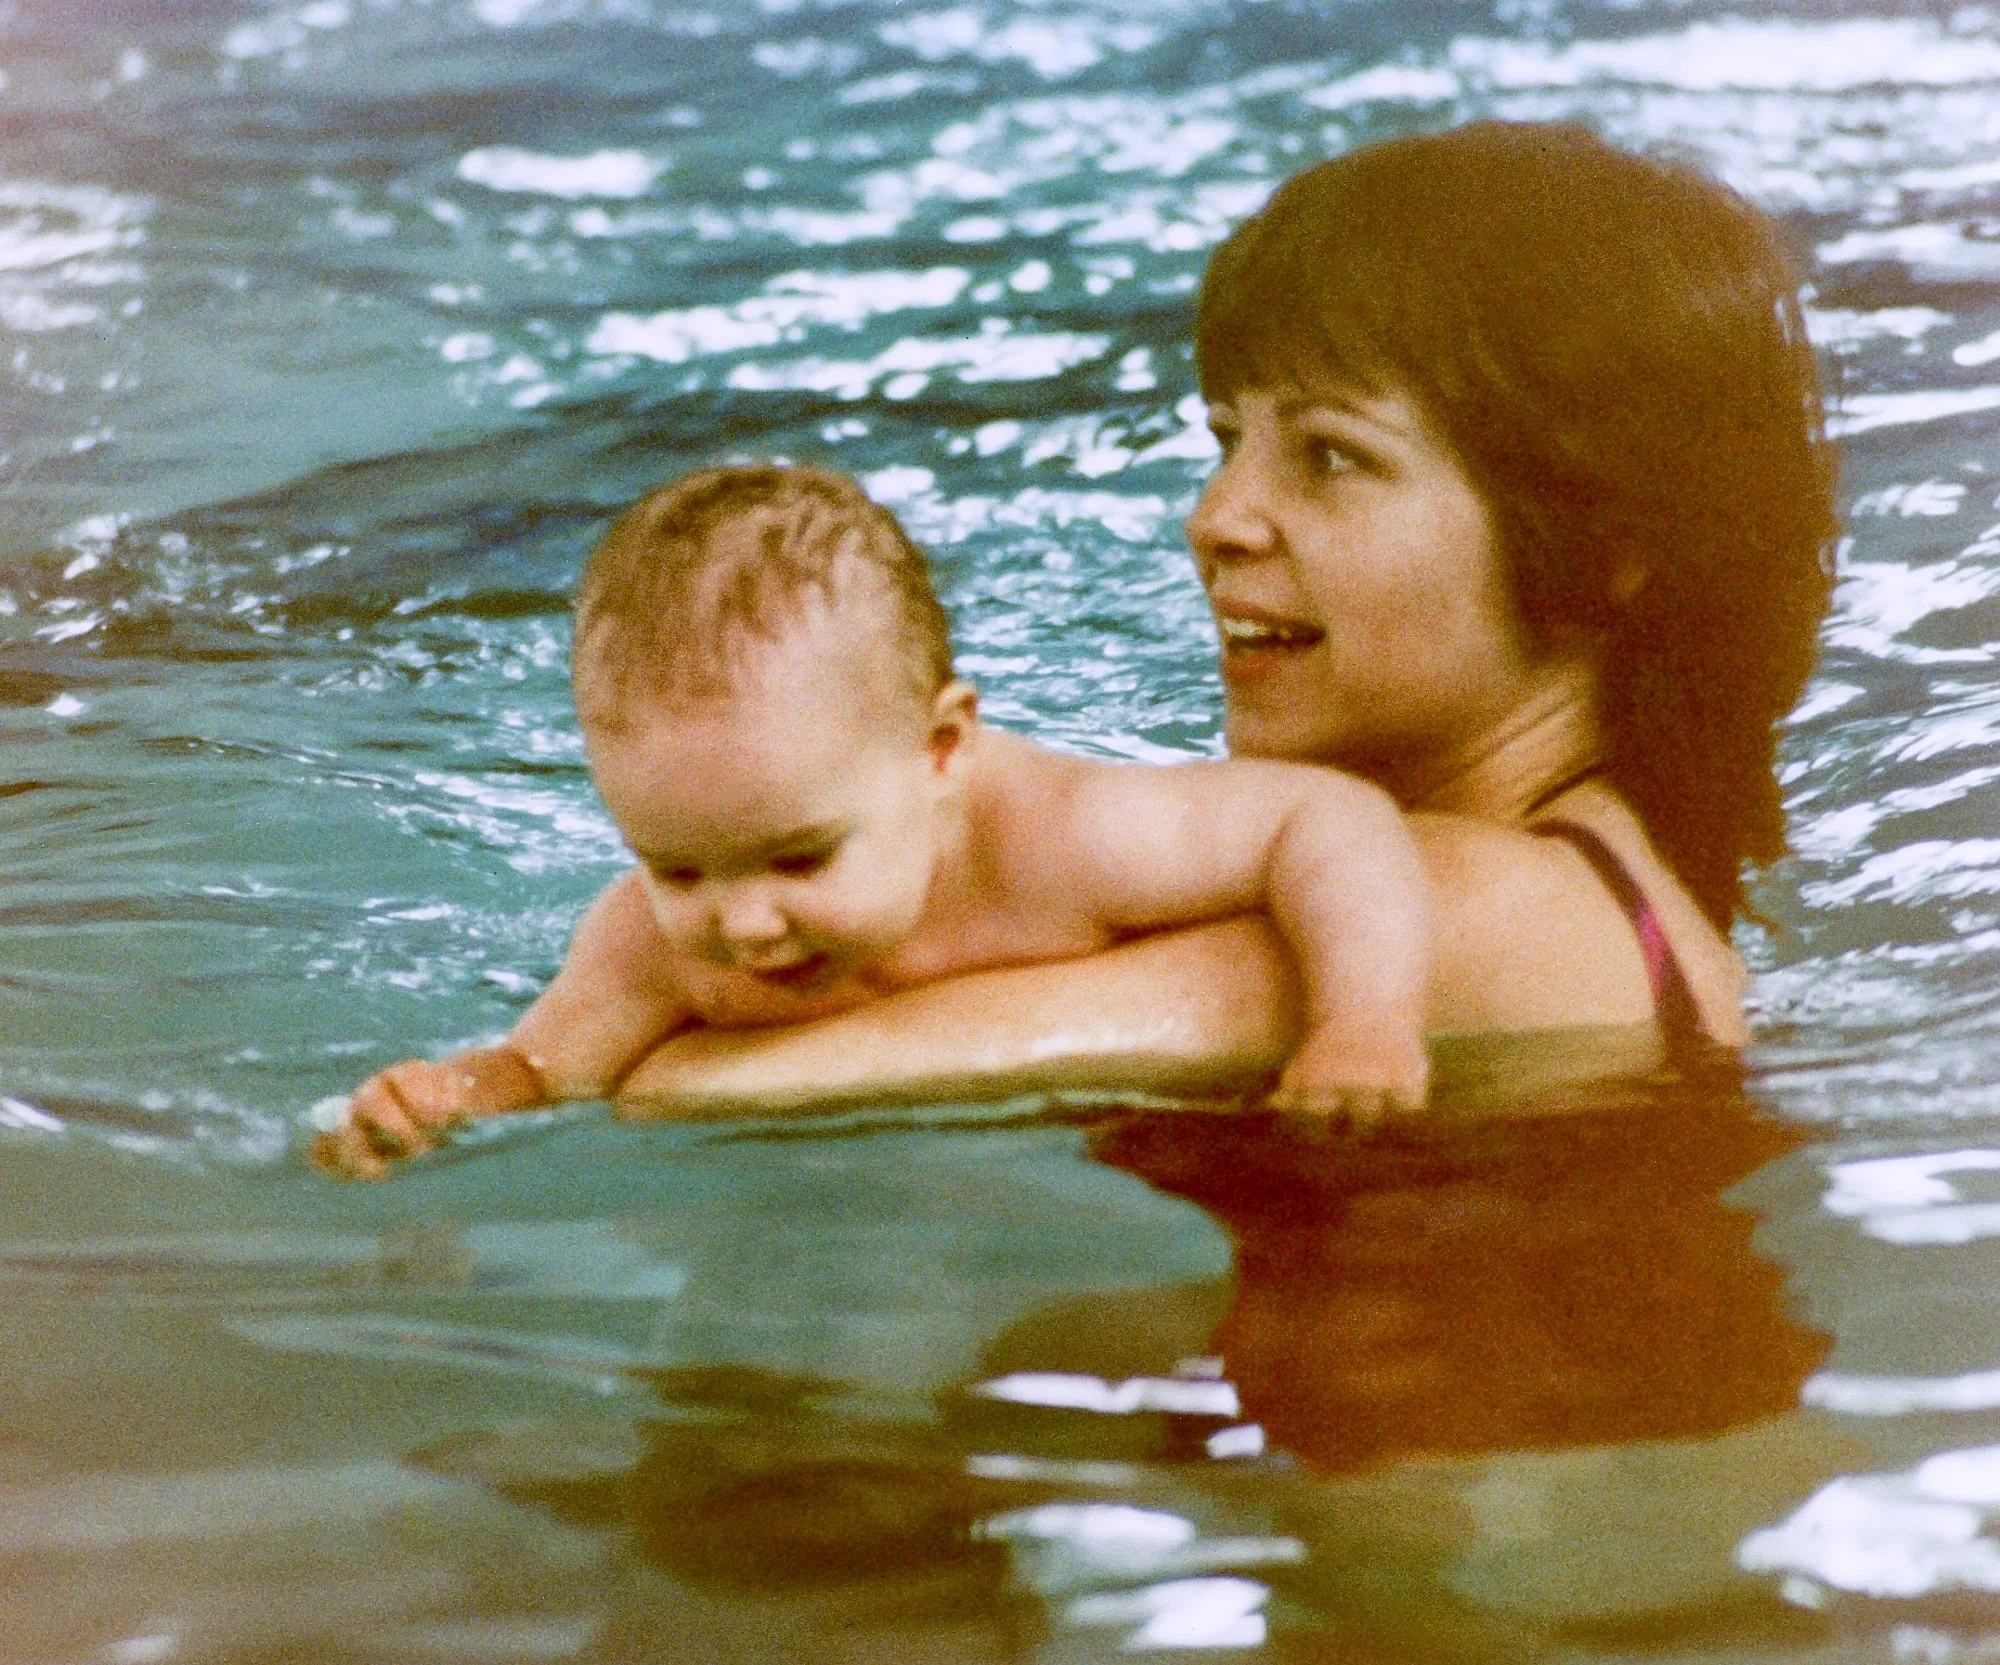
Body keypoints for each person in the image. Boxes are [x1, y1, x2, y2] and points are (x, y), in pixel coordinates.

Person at [608, 121, 1839, 1116]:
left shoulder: (1473, 908)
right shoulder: (1587, 866)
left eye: (1332, 457)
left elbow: (724, 1091)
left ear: (1608, 545)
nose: (1216, 516)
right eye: (1225, 442)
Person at [314, 463, 1431, 1178]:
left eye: (799, 856)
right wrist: (443, 1100)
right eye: (679, 868)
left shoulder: (1063, 842)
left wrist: (1364, 1021)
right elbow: (545, 1071)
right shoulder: (650, 947)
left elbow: (1324, 820)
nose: (742, 924)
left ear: (942, 748)